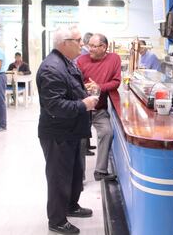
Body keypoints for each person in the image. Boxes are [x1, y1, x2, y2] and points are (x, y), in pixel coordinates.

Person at [36, 26, 99, 234]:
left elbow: (68, 90)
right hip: (58, 134)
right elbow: (54, 106)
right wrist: (85, 104)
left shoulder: (66, 63)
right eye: (79, 40)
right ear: (65, 43)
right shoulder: (51, 68)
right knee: (59, 177)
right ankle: (56, 219)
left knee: (74, 173)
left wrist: (83, 91)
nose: (82, 44)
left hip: (72, 130)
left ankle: (71, 205)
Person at [77, 33, 121, 181]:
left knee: (107, 132)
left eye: (94, 46)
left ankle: (100, 171)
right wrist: (85, 87)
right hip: (83, 108)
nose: (90, 49)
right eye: (89, 46)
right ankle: (79, 176)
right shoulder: (81, 61)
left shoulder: (114, 59)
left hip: (100, 108)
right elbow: (74, 83)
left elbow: (116, 82)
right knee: (80, 140)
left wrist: (99, 87)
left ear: (104, 47)